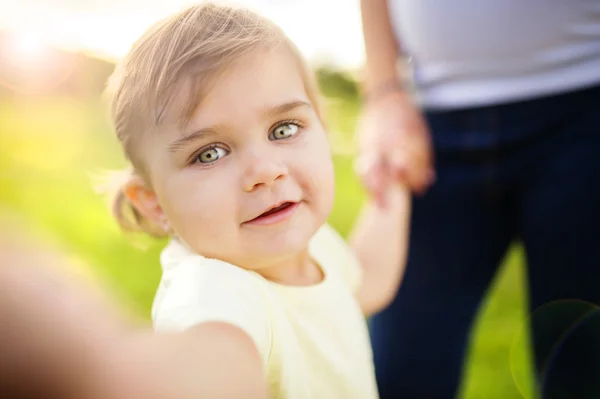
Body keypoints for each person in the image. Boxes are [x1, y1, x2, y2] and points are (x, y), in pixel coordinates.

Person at [103, 2, 416, 398]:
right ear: (153, 203)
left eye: (284, 128)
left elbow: (365, 283)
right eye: (210, 153)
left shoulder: (311, 245)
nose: (266, 171)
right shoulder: (215, 287)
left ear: (322, 125)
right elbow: (213, 357)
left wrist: (391, 185)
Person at [357, 0, 600, 398]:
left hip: (585, 109)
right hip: (429, 130)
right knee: (399, 372)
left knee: (582, 368)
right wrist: (384, 93)